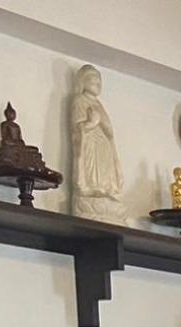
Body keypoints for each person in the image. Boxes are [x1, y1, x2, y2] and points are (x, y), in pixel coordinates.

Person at [70, 65, 125, 222]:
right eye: (92, 79)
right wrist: (91, 123)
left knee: (105, 172)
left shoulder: (99, 105)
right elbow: (76, 128)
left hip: (103, 146)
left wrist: (103, 125)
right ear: (83, 82)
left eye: (99, 81)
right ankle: (92, 189)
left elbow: (109, 131)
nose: (97, 83)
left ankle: (106, 191)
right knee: (91, 170)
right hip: (90, 143)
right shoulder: (79, 101)